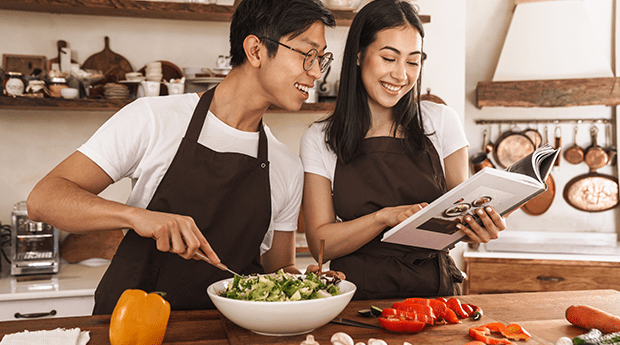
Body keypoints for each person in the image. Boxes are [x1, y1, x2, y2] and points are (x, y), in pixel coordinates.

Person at [27, 0, 335, 314]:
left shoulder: (286, 165)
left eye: (321, 59)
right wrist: (138, 218)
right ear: (255, 50)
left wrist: (307, 283)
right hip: (132, 326)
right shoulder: (154, 119)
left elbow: (278, 267)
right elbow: (43, 199)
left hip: (228, 332)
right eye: (307, 55)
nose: (315, 73)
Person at [300, 0, 506, 300]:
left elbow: (461, 213)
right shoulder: (320, 137)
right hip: (354, 298)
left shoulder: (441, 121)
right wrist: (383, 218)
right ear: (359, 55)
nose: (401, 75)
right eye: (388, 58)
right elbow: (320, 243)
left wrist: (480, 226)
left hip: (435, 297)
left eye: (413, 61)